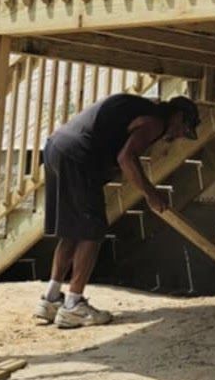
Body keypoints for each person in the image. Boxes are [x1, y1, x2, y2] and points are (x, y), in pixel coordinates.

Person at [35, 91, 200, 328]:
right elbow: (126, 158)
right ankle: (73, 305)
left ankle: (51, 299)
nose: (180, 136)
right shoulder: (155, 122)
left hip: (56, 147)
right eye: (184, 129)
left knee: (73, 230)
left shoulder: (141, 108)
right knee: (92, 231)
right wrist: (151, 194)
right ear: (178, 116)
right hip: (78, 155)